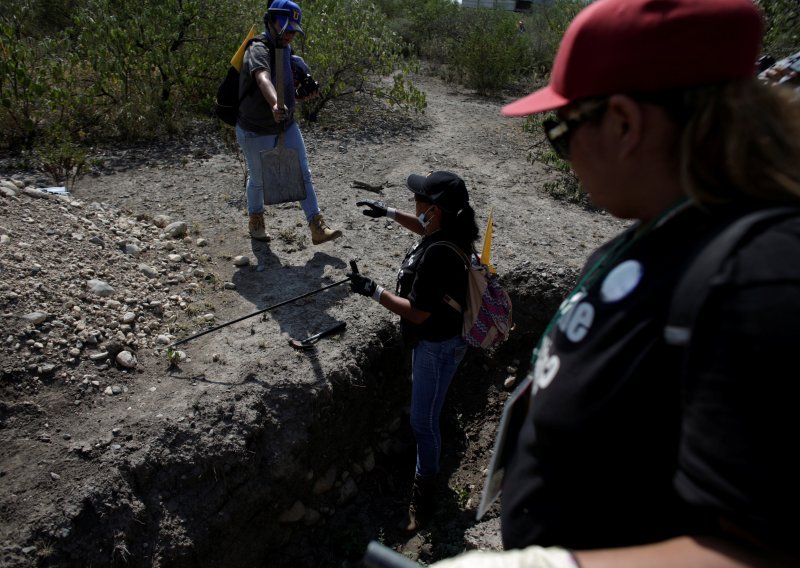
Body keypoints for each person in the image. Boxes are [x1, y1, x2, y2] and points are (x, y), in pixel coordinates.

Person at [429, 0, 800, 566]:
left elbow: (762, 546)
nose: (561, 150)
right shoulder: (659, 231)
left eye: (559, 129)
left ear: (625, 123)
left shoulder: (761, 278)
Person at [350, 171, 480, 532]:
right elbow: (423, 229)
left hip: (438, 345)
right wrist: (388, 212)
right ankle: (429, 449)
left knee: (423, 422)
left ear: (434, 209)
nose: (415, 203)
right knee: (426, 411)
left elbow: (417, 312)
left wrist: (371, 290)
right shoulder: (448, 230)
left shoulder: (439, 255)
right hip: (438, 342)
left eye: (419, 199)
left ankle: (425, 500)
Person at [236, 0, 342, 245]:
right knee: (259, 177)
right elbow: (262, 78)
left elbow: (286, 87)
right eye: (287, 28)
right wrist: (275, 103)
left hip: (285, 123)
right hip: (255, 128)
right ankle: (256, 221)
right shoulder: (257, 49)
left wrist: (298, 96)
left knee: (303, 172)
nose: (291, 35)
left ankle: (316, 225)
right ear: (272, 22)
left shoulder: (287, 51)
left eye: (294, 30)